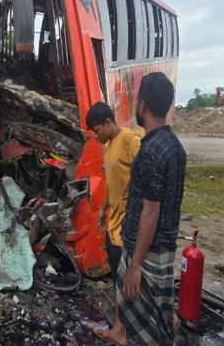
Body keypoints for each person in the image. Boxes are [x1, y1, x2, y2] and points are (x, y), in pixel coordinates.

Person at [96, 72, 186, 346]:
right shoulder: (175, 146)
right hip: (164, 246)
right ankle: (121, 332)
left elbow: (151, 211)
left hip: (146, 251)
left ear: (143, 105)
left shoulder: (149, 151)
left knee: (151, 325)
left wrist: (135, 264)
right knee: (158, 312)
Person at [86, 101, 141, 333]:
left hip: (129, 226)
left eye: (97, 130)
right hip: (114, 224)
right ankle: (123, 328)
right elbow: (111, 183)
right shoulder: (108, 147)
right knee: (118, 281)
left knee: (128, 281)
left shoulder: (131, 141)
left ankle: (123, 330)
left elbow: (146, 178)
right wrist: (102, 208)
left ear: (108, 122)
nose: (96, 136)